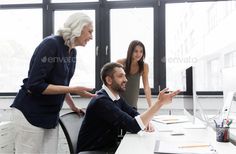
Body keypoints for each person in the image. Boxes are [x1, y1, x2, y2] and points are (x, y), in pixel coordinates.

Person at [10, 12, 96, 154]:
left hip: (50, 115)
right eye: (90, 32)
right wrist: (74, 89)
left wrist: (72, 106)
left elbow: (62, 83)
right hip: (30, 113)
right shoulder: (51, 44)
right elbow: (35, 85)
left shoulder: (72, 52)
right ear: (78, 28)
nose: (91, 37)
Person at [77, 62, 180, 153]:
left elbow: (132, 113)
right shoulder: (102, 102)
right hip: (94, 151)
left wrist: (146, 121)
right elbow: (133, 126)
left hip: (108, 147)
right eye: (121, 76)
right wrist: (159, 103)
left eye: (125, 76)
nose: (126, 80)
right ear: (109, 80)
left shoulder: (115, 97)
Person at [117, 40, 152, 109]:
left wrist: (150, 106)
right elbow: (112, 83)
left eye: (141, 51)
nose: (139, 54)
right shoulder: (120, 63)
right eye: (136, 51)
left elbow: (146, 87)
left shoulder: (144, 66)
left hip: (133, 107)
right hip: (118, 105)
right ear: (131, 51)